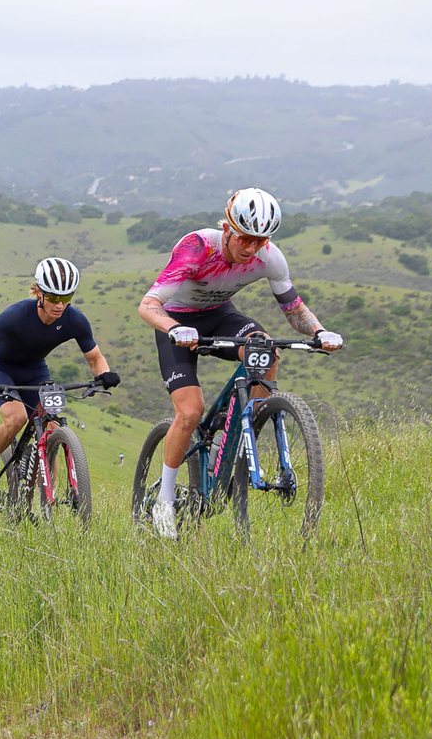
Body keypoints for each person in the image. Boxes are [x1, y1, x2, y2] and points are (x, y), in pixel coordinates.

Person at [137, 187, 344, 541]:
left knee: (266, 352)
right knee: (189, 412)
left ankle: (243, 428)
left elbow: (293, 309)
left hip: (220, 317)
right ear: (228, 228)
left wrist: (320, 331)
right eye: (245, 239)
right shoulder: (198, 247)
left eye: (260, 241)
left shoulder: (270, 257)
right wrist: (175, 328)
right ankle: (165, 501)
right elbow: (149, 305)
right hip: (176, 321)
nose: (251, 248)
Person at [0, 257, 120, 501]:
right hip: (1, 368)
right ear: (38, 292)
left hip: (35, 370)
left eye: (66, 299)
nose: (60, 305)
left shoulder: (74, 319)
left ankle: (48, 495)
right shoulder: (17, 314)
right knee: (16, 418)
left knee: (51, 425)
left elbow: (95, 357)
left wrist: (103, 375)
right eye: (54, 299)